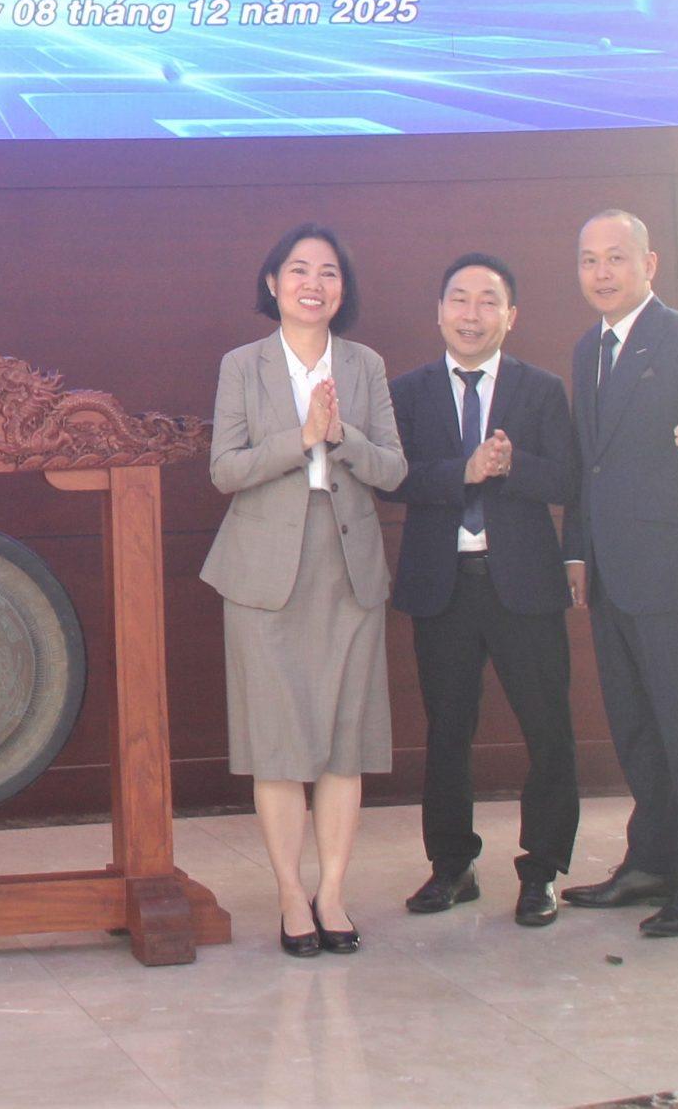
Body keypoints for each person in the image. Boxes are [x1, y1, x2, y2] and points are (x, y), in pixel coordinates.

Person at [201, 223, 407, 958]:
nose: (312, 284)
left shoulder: (365, 364)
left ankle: (333, 894)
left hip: (347, 567)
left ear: (342, 289)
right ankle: (291, 895)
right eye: (298, 270)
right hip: (264, 571)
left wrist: (341, 436)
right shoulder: (243, 365)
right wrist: (302, 437)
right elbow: (225, 469)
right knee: (279, 744)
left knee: (344, 743)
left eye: (328, 272)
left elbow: (393, 469)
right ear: (273, 283)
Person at [559, 209, 678, 939]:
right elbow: (591, 463)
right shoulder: (588, 348)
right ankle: (651, 863)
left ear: (649, 264)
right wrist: (578, 552)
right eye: (589, 259)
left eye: (616, 257)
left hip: (675, 570)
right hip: (612, 572)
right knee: (637, 730)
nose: (601, 272)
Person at [387, 253, 582, 927]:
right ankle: (451, 866)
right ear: (439, 312)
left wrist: (511, 466)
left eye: (488, 301)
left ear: (511, 315)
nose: (472, 314)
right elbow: (392, 478)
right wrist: (462, 472)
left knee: (548, 730)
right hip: (443, 587)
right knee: (447, 733)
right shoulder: (407, 391)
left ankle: (542, 870)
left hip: (523, 585)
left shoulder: (541, 389)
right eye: (459, 299)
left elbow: (567, 480)